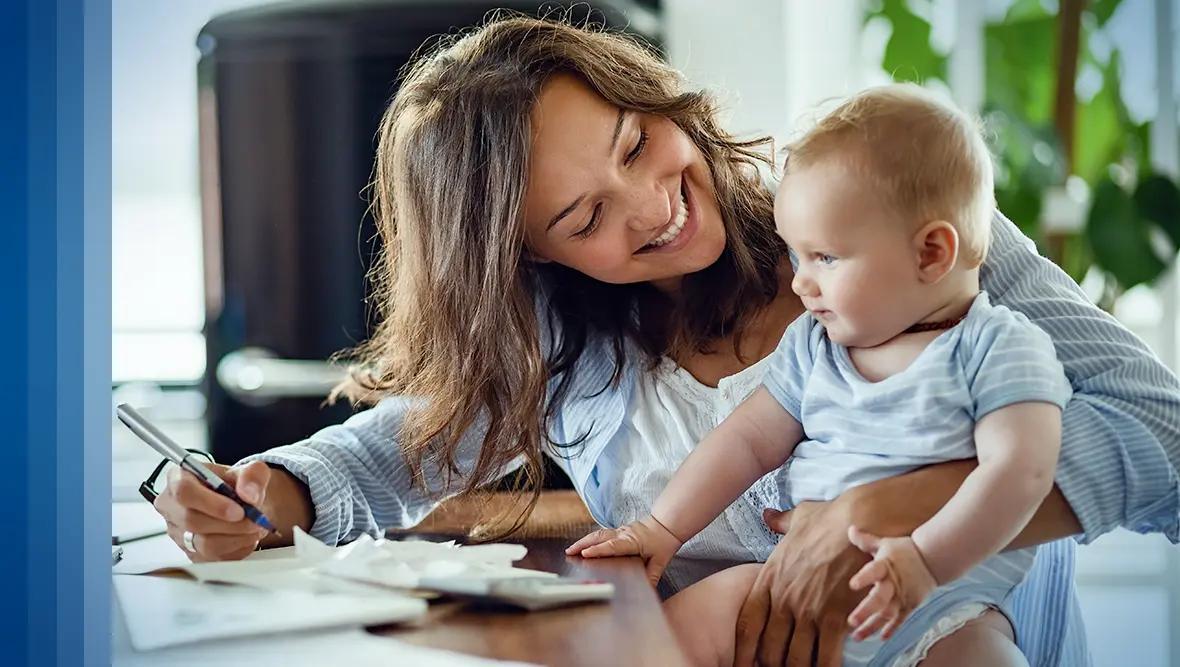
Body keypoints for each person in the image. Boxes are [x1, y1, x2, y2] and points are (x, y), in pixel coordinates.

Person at [147, 14, 1180, 666]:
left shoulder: (897, 231)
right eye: (584, 219)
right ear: (533, 260)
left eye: (638, 144)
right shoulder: (566, 339)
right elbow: (388, 451)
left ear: (655, 98)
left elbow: (1163, 439)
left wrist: (889, 502)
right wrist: (258, 492)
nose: (651, 208)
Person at [566, 84, 1071, 667]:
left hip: (946, 608)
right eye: (795, 255)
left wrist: (926, 560)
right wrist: (660, 528)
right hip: (788, 589)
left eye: (824, 259)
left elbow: (1025, 472)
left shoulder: (999, 348)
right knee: (671, 633)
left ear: (931, 254)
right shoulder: (815, 344)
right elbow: (746, 440)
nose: (800, 282)